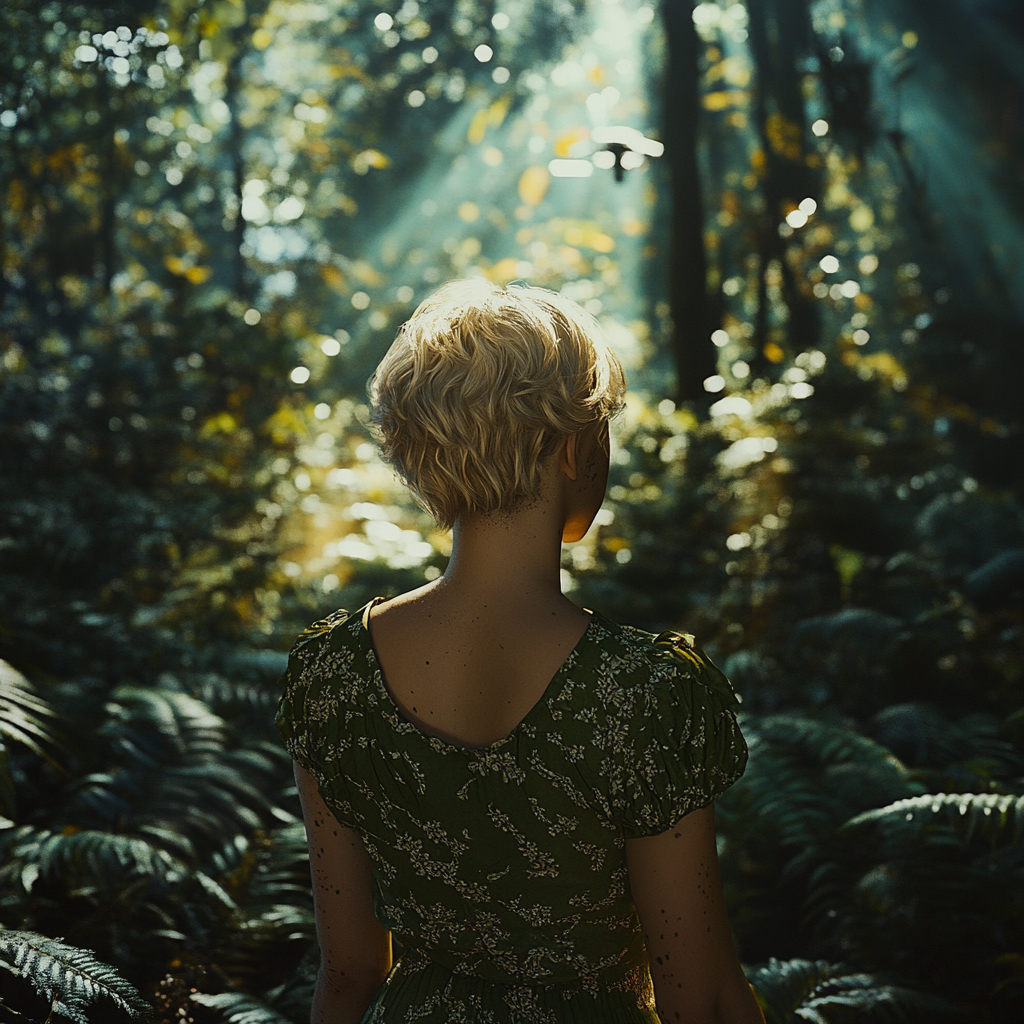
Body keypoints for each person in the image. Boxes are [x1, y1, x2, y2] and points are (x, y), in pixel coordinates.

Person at [275, 279, 765, 1024]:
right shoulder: (646, 693)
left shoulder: (332, 677)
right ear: (573, 449)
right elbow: (700, 996)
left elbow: (346, 972)